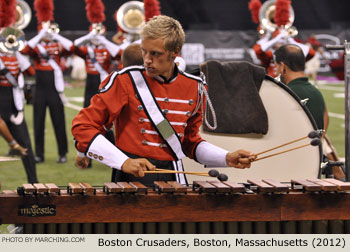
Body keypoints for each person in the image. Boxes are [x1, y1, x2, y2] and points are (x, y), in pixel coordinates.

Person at [72, 15, 256, 185]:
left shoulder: (195, 87)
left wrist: (226, 157)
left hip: (173, 175)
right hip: (130, 176)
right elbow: (83, 126)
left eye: (155, 54)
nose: (147, 60)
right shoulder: (125, 81)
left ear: (174, 51)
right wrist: (123, 161)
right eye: (144, 52)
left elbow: (189, 143)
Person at [274, 44, 345, 180]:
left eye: (277, 66)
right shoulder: (316, 92)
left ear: (283, 66)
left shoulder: (285, 93)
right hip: (313, 169)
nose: (277, 70)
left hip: (292, 172)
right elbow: (325, 120)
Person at [0, 50, 39, 183]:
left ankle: (34, 184)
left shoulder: (15, 55)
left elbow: (31, 71)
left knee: (25, 145)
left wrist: (16, 53)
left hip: (13, 103)